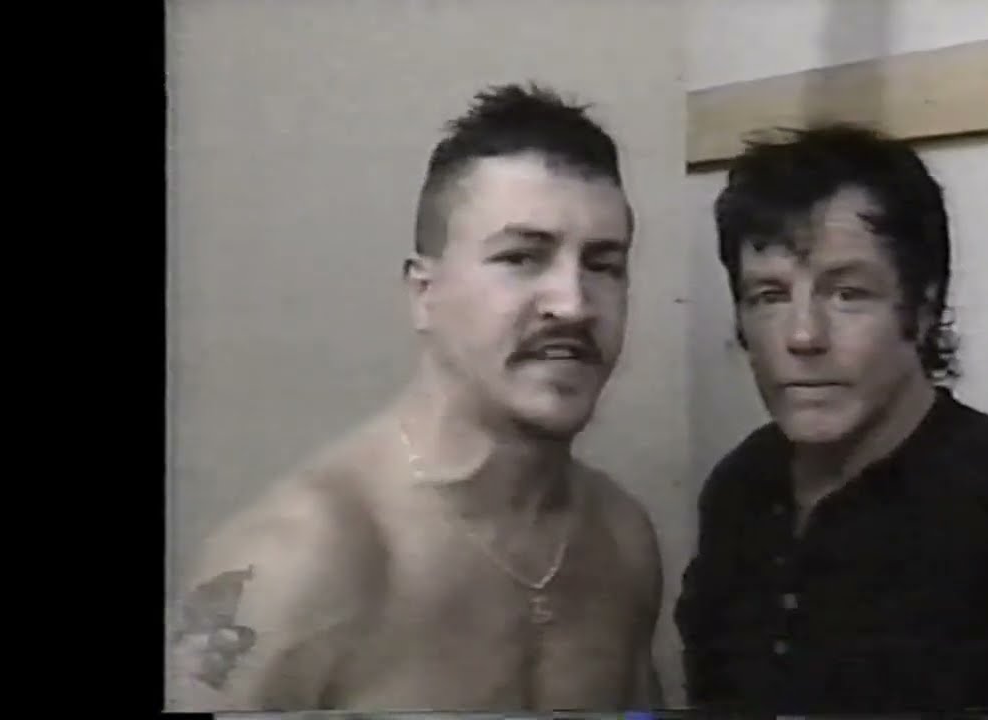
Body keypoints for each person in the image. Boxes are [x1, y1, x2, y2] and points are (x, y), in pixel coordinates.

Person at [167, 84, 663, 713]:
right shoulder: (293, 564)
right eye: (522, 257)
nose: (573, 304)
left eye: (604, 265)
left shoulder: (621, 540)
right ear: (424, 294)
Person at [674, 124, 988, 713]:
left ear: (922, 311)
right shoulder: (737, 488)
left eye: (847, 293)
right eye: (770, 296)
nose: (803, 336)